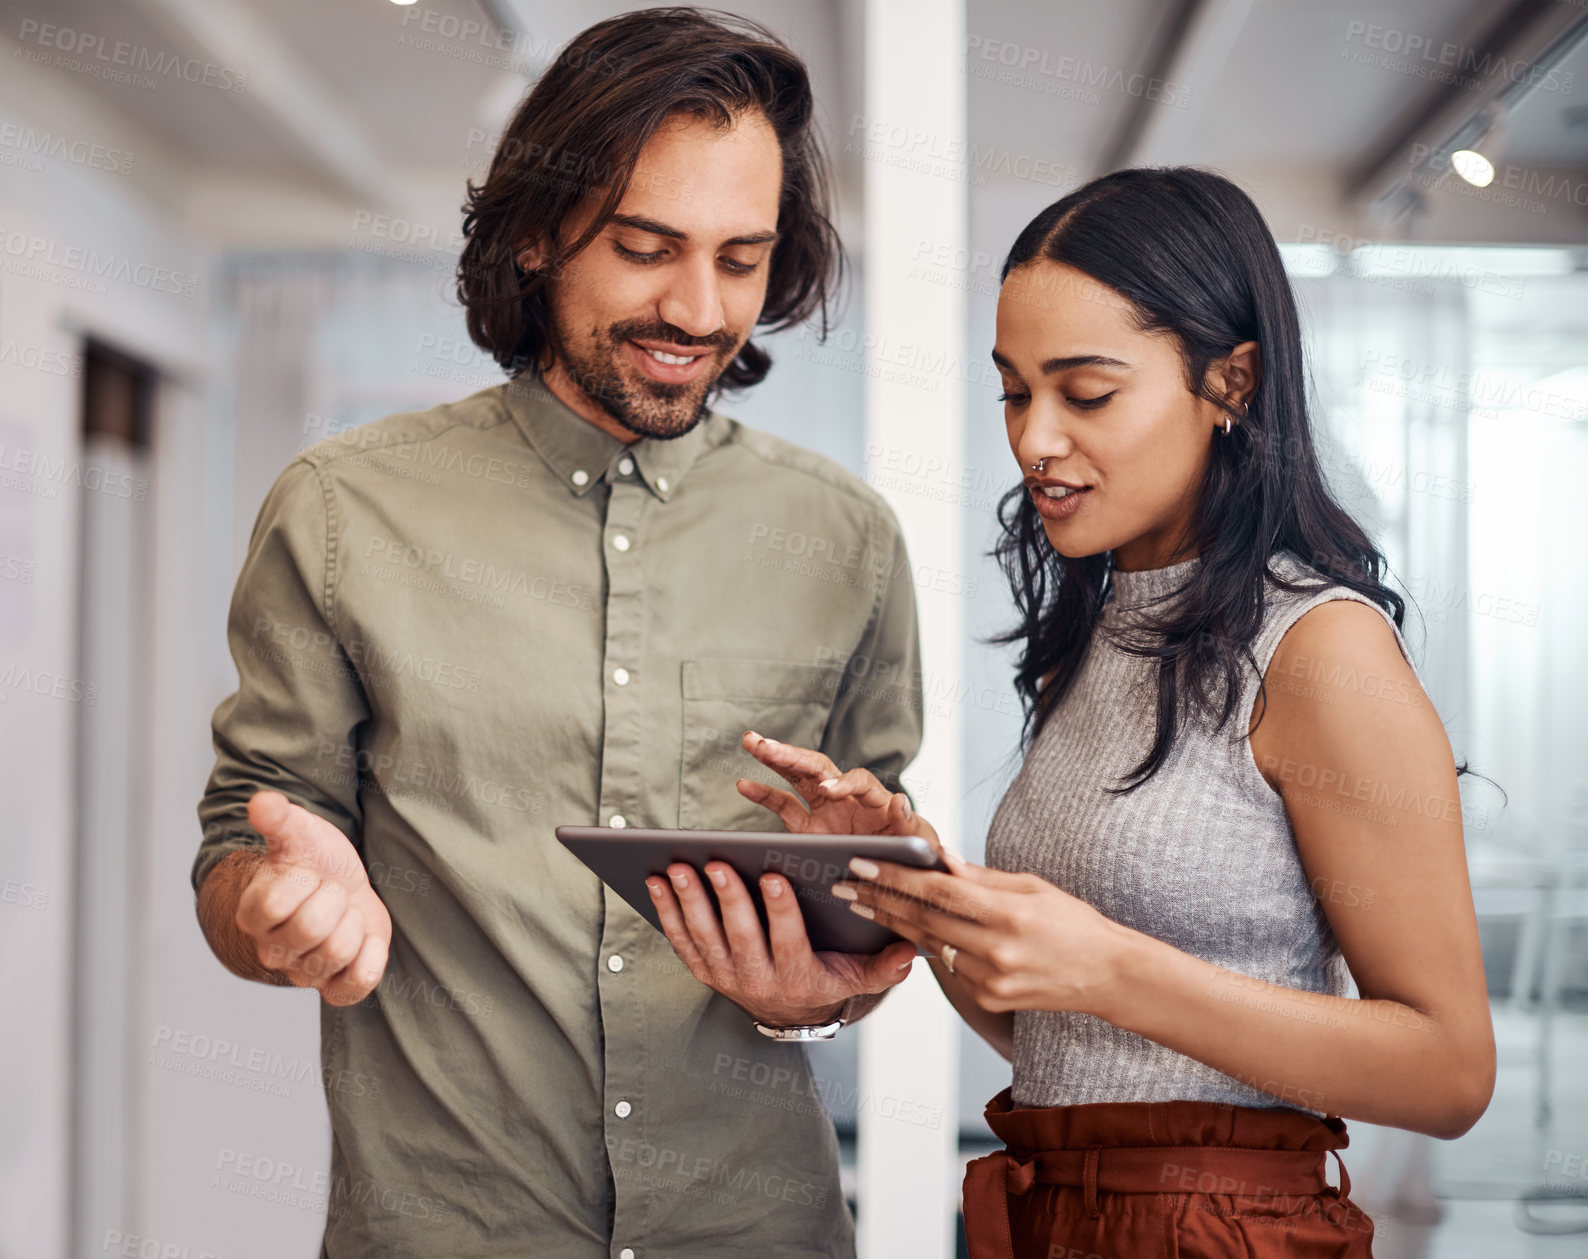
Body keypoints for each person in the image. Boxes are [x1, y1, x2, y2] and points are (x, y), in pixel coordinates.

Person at [190, 9, 923, 1256]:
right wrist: (271, 903)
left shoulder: (844, 538)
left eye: (741, 259)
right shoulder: (342, 509)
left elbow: (869, 902)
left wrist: (834, 986)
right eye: (647, 247)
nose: (698, 308)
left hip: (761, 1225)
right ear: (536, 233)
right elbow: (239, 843)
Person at [705, 167, 1497, 1258]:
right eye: (1014, 389)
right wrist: (920, 883)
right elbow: (1062, 1037)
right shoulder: (1108, 625)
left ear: (1233, 381)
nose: (1033, 438)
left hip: (1223, 1230)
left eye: (1085, 393)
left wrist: (1111, 966)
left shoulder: (1320, 650)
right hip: (1057, 1208)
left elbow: (1448, 1071)